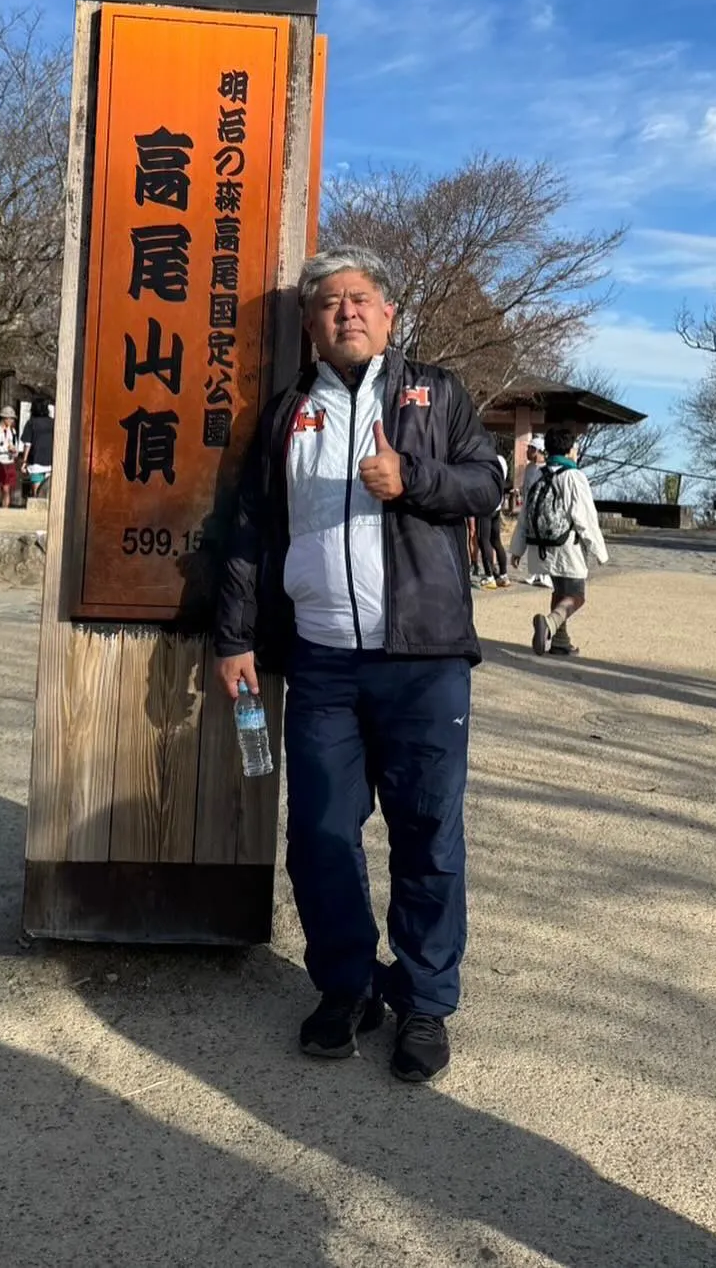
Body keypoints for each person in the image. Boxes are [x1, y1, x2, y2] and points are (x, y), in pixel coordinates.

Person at [214, 246, 503, 1084]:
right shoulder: (285, 414)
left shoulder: (435, 393)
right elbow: (251, 533)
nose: (346, 311)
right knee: (320, 836)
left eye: (361, 298)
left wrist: (410, 476)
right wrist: (234, 637)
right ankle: (346, 986)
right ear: (308, 325)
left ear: (388, 315)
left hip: (423, 660)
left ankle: (423, 1001)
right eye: (328, 302)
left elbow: (486, 483)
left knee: (426, 834)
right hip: (323, 664)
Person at [524, 425, 608, 658]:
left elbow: (525, 513)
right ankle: (550, 624)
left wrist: (517, 548)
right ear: (570, 450)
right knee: (577, 596)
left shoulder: (538, 474)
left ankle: (561, 641)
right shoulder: (574, 476)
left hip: (542, 545)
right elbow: (585, 517)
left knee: (559, 592)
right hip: (567, 545)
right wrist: (599, 550)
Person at [509, 438, 551, 587]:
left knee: (542, 544)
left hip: (542, 512)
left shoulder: (547, 469)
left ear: (539, 451)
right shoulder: (529, 469)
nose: (528, 451)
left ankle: (545, 575)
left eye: (531, 449)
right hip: (529, 508)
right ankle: (534, 573)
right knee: (531, 541)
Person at [473, 446, 510, 589]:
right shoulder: (501, 460)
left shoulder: (482, 461)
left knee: (483, 540)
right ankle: (503, 575)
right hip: (497, 504)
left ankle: (489, 576)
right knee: (496, 540)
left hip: (484, 505)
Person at [21, 399, 55, 503]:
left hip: (35, 461)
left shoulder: (31, 423)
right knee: (50, 492)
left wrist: (24, 461)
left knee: (37, 495)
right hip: (51, 461)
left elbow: (27, 444)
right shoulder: (53, 422)